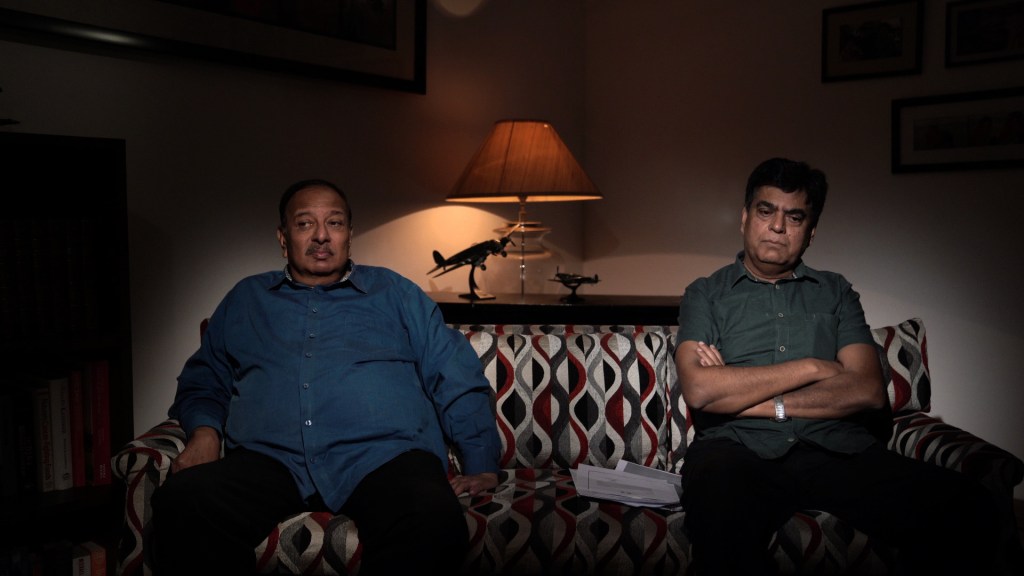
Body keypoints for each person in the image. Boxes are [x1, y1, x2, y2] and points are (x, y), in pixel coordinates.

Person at [151, 179, 501, 575]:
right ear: (283, 238)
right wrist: (205, 433)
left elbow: (454, 375)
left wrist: (480, 462)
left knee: (432, 517)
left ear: (349, 233)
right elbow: (204, 378)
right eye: (305, 224)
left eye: (334, 223)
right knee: (182, 501)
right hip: (270, 460)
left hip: (384, 458)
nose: (321, 235)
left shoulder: (397, 294)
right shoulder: (246, 299)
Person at [674, 158, 997, 575]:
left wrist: (741, 397)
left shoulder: (836, 292)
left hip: (836, 449)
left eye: (795, 217)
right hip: (735, 451)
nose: (777, 227)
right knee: (720, 514)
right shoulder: (705, 294)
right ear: (744, 218)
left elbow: (867, 390)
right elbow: (701, 390)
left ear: (810, 232)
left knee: (969, 505)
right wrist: (814, 366)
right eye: (765, 210)